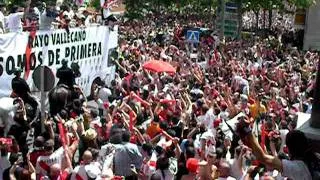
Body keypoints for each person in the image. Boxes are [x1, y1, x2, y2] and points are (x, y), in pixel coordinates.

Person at [236, 117, 317, 180]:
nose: (285, 148)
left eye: (287, 147)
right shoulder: (313, 159)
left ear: (292, 150)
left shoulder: (299, 168)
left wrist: (247, 130)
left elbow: (263, 158)